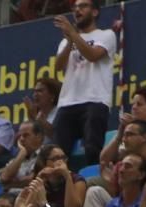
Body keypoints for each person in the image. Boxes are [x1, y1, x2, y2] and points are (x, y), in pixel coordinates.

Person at [51, 0, 121, 164]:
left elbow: (93, 56)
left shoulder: (106, 35)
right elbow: (58, 67)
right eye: (75, 7)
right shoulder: (66, 41)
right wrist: (69, 41)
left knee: (92, 148)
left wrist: (73, 35)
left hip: (95, 100)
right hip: (67, 102)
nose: (77, 10)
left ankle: (92, 183)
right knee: (58, 153)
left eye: (83, 6)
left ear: (95, 12)